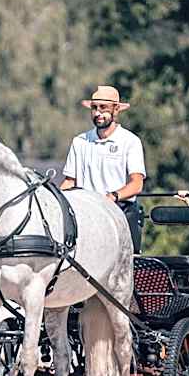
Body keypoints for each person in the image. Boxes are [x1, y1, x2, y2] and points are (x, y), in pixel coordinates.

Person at [60, 85, 146, 253]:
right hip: (85, 212)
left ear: (116, 110)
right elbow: (70, 181)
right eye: (94, 108)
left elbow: (137, 184)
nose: (98, 113)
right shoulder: (80, 141)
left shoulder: (130, 141)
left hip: (119, 210)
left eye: (103, 108)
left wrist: (112, 196)